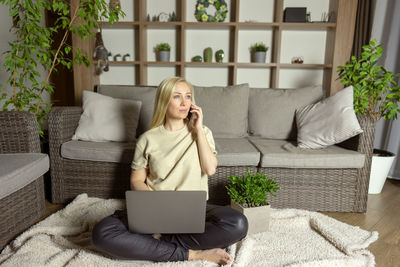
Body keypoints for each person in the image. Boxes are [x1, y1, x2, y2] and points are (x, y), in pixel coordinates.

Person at [92, 77, 248, 265]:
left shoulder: (202, 132)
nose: (184, 103)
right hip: (153, 209)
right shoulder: (147, 139)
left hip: (193, 211)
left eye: (188, 96)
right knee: (101, 233)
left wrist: (198, 129)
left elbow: (210, 168)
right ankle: (193, 254)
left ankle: (156, 244)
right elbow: (136, 181)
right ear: (164, 101)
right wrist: (154, 207)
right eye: (177, 97)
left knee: (238, 223)